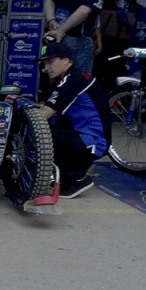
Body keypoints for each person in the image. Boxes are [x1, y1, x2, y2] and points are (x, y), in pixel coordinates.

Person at [37, 41, 111, 199]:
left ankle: (77, 178)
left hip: (94, 142)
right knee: (50, 128)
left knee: (41, 134)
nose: (46, 68)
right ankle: (71, 170)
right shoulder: (67, 77)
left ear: (66, 60)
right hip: (83, 134)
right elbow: (44, 104)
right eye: (44, 63)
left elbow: (43, 114)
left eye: (50, 62)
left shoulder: (73, 80)